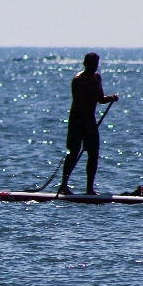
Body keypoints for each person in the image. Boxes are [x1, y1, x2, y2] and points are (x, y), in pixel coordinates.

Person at [58, 52, 119, 196]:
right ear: (84, 63)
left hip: (89, 119)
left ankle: (89, 189)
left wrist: (111, 98)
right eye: (90, 64)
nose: (93, 67)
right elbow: (80, 105)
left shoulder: (97, 78)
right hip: (77, 120)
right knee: (73, 152)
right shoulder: (78, 80)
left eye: (95, 64)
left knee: (93, 153)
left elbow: (100, 99)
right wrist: (88, 126)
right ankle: (64, 186)